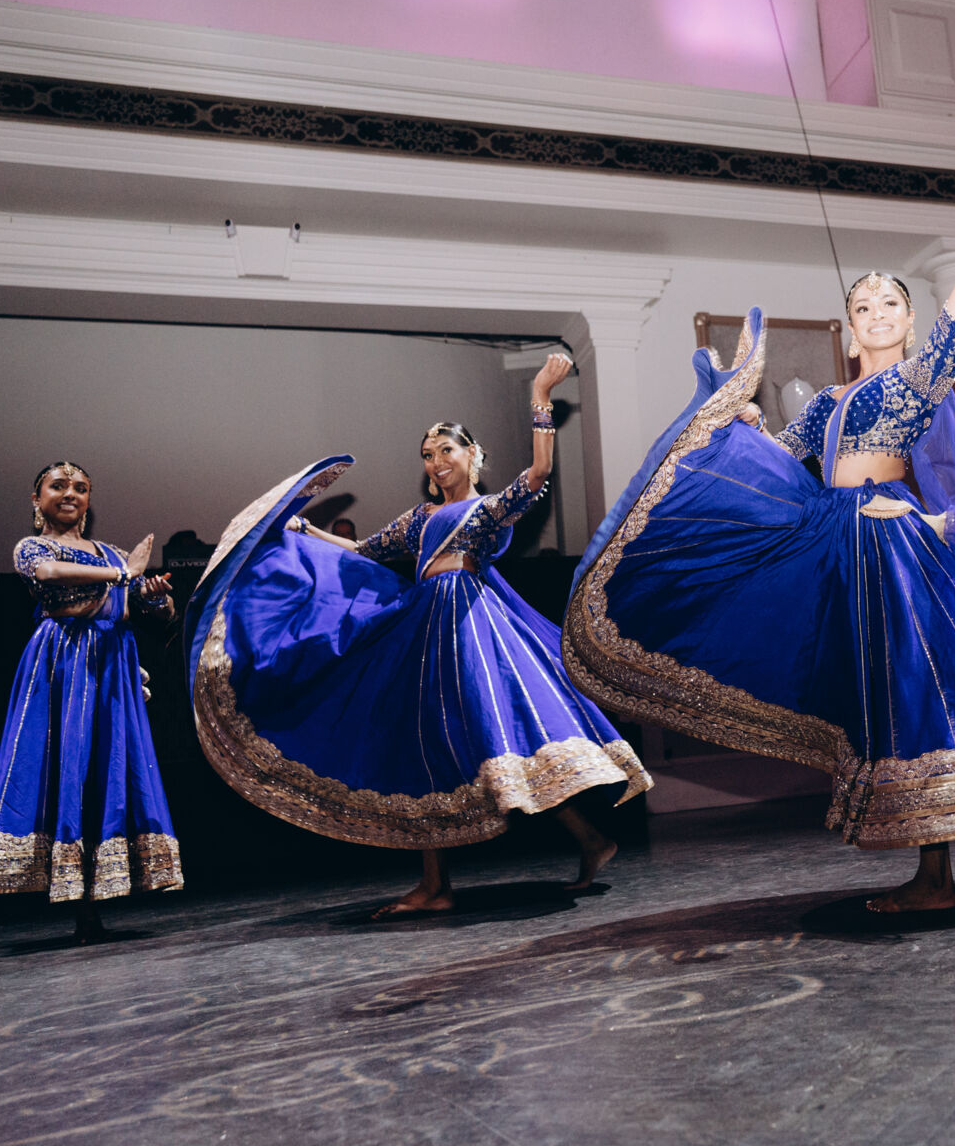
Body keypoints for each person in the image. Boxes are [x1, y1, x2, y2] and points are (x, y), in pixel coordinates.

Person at [564, 152, 955, 914]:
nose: (877, 312)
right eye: (863, 306)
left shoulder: (918, 379)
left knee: (916, 698)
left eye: (890, 303)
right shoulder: (829, 403)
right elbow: (777, 459)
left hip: (892, 547)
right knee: (881, 700)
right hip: (838, 548)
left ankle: (939, 877)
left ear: (910, 322)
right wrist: (735, 422)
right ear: (851, 329)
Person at [185, 355, 650, 917]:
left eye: (446, 450)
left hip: (470, 625)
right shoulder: (419, 518)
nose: (436, 461)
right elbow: (364, 551)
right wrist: (304, 529)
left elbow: (537, 473)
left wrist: (540, 393)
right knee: (426, 745)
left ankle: (581, 842)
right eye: (428, 455)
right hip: (426, 625)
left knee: (500, 742)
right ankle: (441, 883)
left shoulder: (486, 510)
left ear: (473, 454)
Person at [0, 462, 183, 957]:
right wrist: (123, 575)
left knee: (95, 782)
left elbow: (146, 610)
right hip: (62, 668)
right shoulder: (34, 548)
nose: (70, 493)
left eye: (80, 488)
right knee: (41, 777)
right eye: (59, 485)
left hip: (110, 671)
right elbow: (48, 574)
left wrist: (156, 597)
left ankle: (87, 914)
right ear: (36, 498)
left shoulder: (111, 553)